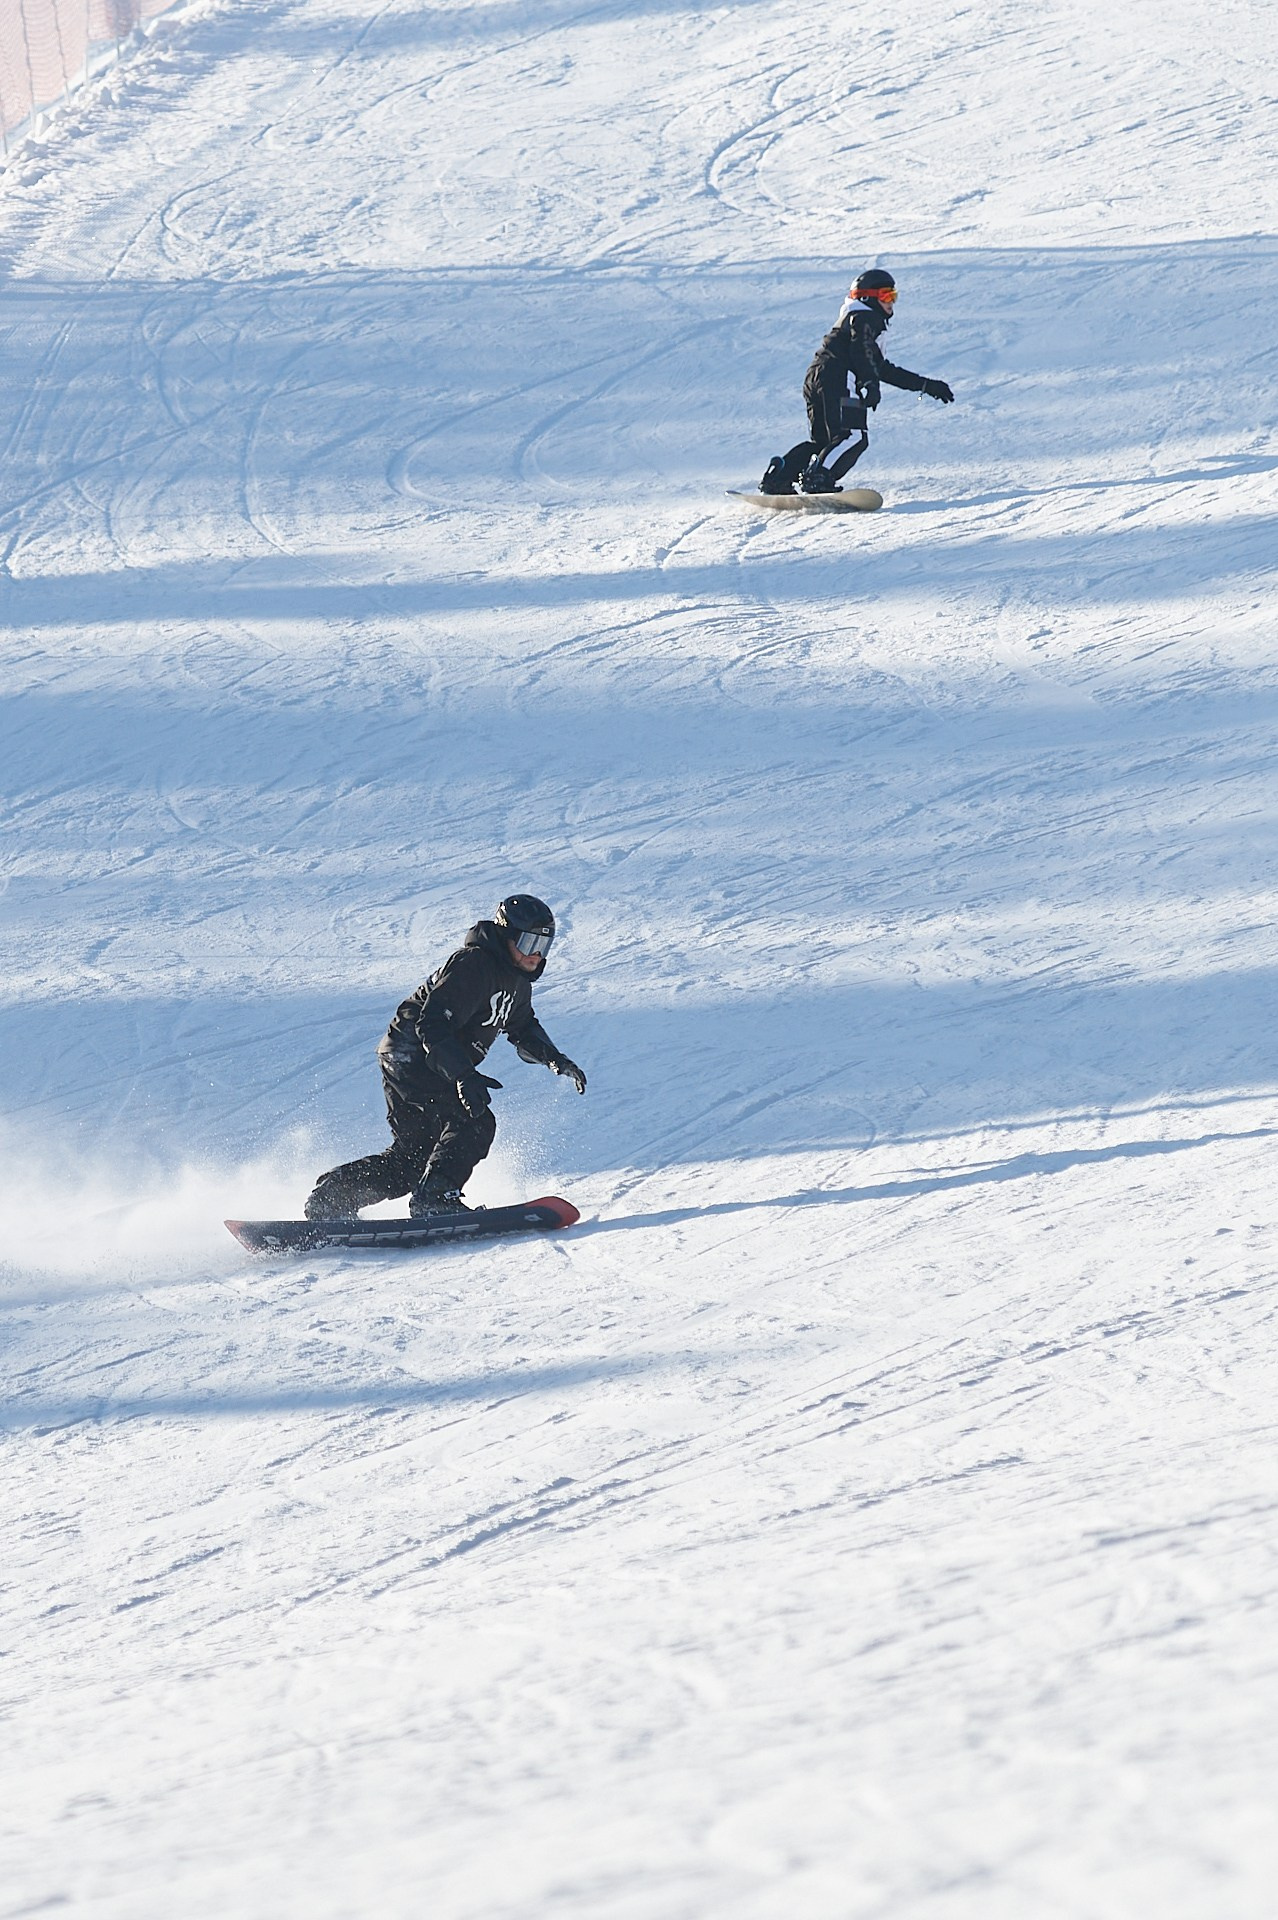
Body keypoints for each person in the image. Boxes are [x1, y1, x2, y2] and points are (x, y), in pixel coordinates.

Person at [303, 894, 587, 1220]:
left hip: (414, 1058)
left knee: (412, 1160)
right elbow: (432, 1023)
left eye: (543, 945)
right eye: (528, 942)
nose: (536, 954)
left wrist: (556, 1059)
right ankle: (434, 1198)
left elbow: (522, 1027)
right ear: (506, 936)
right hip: (416, 1054)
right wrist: (464, 1076)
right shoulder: (474, 965)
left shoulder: (517, 982)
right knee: (475, 1122)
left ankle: (332, 1198)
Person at [758, 268, 954, 496]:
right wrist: (870, 383)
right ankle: (818, 477)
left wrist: (925, 385)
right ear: (867, 298)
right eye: (886, 296)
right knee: (853, 436)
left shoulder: (851, 320)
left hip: (816, 375)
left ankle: (779, 477)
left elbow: (879, 366)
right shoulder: (865, 318)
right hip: (839, 377)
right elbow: (862, 351)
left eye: (894, 296)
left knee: (825, 443)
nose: (891, 302)